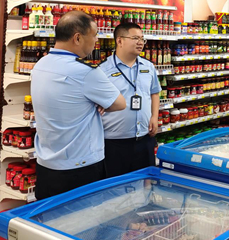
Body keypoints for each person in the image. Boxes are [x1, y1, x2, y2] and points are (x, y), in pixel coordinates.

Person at [31, 11, 126, 200]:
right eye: (94, 35)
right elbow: (119, 103)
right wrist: (99, 103)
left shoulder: (41, 64)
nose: (96, 40)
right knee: (83, 217)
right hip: (80, 168)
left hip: (46, 166)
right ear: (77, 38)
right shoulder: (84, 72)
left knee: (49, 217)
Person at [98, 23, 162, 177]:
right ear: (119, 41)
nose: (140, 43)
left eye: (142, 39)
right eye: (135, 38)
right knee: (115, 187)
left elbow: (154, 92)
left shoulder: (148, 67)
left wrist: (154, 116)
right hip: (114, 142)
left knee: (145, 183)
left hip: (144, 139)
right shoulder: (102, 70)